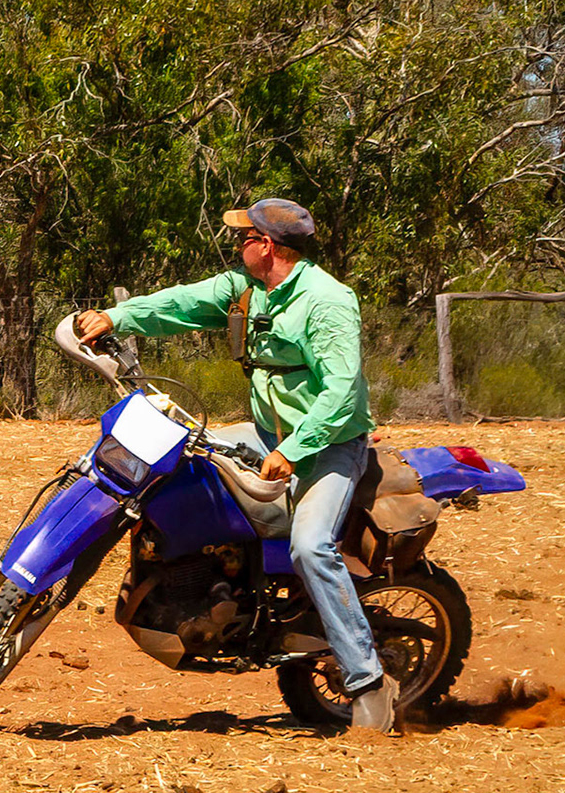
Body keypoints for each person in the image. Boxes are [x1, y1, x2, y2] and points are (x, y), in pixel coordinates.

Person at [75, 198, 400, 733]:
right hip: (267, 436)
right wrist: (117, 316)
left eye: (242, 237)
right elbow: (184, 302)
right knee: (168, 463)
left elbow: (341, 391)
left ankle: (368, 682)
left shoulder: (328, 301)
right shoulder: (247, 290)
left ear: (266, 245)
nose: (236, 245)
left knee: (311, 546)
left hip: (326, 448)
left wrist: (293, 451)